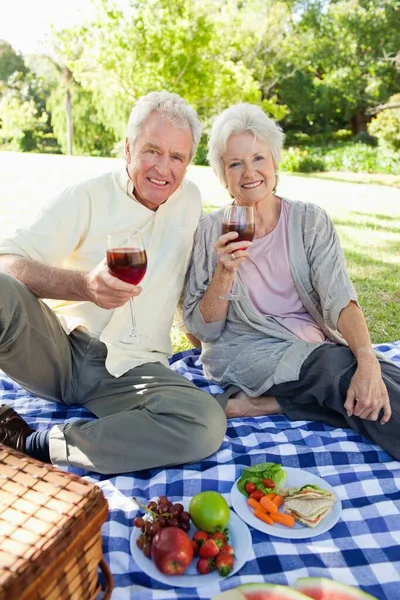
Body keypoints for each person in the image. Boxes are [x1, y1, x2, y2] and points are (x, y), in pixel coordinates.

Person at [0, 91, 227, 474]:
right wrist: (84, 285)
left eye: (177, 157)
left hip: (134, 370)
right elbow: (8, 259)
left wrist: (213, 351)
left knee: (205, 425)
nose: (163, 168)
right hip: (58, 351)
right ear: (128, 149)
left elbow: (186, 289)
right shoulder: (86, 198)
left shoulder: (189, 201)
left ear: (188, 164)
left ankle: (38, 444)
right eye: (152, 150)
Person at [183, 103, 400, 461]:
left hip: (316, 350)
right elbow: (203, 330)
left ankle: (266, 404)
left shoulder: (310, 221)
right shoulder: (211, 232)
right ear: (223, 174)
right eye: (235, 163)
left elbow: (340, 298)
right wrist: (224, 272)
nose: (249, 172)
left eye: (258, 158)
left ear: (275, 162)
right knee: (340, 375)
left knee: (379, 375)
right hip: (246, 351)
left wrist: (368, 360)